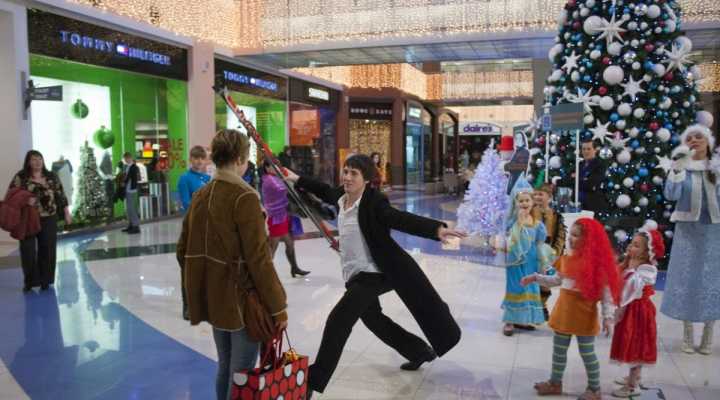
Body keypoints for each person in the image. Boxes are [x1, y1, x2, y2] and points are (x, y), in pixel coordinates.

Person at [284, 154, 465, 398]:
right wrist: (295, 178)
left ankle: (312, 382)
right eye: (346, 171)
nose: (347, 177)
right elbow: (324, 190)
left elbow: (400, 219)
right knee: (373, 319)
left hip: (375, 272)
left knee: (338, 321)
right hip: (355, 272)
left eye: (354, 173)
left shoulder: (374, 203)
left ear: (367, 179)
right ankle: (419, 351)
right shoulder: (342, 197)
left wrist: (435, 229)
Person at [176, 129, 288, 400]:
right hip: (242, 302)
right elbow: (259, 260)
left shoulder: (201, 195)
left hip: (214, 298)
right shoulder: (244, 196)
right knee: (241, 373)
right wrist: (278, 306)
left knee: (226, 367)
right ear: (240, 159)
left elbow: (182, 251)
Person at [521, 218, 621, 400]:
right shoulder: (566, 259)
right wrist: (536, 278)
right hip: (564, 313)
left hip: (585, 315)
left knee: (587, 353)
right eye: (570, 235)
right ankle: (555, 383)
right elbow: (556, 280)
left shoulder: (597, 265)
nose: (570, 239)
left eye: (575, 235)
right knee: (558, 351)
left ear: (589, 240)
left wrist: (608, 317)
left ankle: (595, 389)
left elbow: (607, 295)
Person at [660, 124, 720, 356]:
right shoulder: (682, 167)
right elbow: (670, 195)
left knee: (711, 281)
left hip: (714, 232)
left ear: (708, 142)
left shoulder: (716, 167)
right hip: (687, 231)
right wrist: (676, 170)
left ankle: (708, 333)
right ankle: (687, 334)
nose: (694, 140)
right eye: (690, 137)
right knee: (686, 279)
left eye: (699, 137)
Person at [610, 229, 664, 398]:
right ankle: (635, 376)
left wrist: (627, 270)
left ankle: (632, 386)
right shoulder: (630, 262)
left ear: (647, 251)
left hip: (639, 312)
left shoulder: (647, 269)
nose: (630, 247)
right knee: (629, 342)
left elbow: (633, 287)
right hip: (630, 310)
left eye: (636, 245)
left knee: (636, 345)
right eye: (631, 243)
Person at [9, 150, 72, 292]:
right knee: (28, 251)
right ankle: (30, 281)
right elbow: (11, 195)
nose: (37, 162)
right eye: (34, 159)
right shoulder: (21, 177)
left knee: (48, 249)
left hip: (49, 217)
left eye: (40, 159)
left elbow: (60, 194)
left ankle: (45, 280)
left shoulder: (51, 176)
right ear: (28, 162)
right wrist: (25, 200)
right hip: (27, 219)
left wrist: (67, 213)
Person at [499, 178, 555, 336]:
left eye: (527, 200)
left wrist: (543, 260)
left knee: (529, 287)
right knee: (515, 287)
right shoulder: (512, 221)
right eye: (521, 201)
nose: (524, 203)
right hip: (515, 261)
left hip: (530, 261)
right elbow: (510, 236)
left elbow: (540, 242)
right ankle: (509, 320)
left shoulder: (537, 223)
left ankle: (522, 319)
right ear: (515, 203)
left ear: (532, 202)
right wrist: (519, 220)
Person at [261, 160, 310, 278]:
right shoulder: (269, 180)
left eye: (277, 166)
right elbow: (284, 189)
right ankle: (264, 274)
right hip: (276, 218)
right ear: (267, 168)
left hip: (283, 216)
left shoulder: (275, 177)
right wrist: (292, 181)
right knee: (272, 247)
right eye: (274, 166)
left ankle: (294, 268)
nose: (277, 168)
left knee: (290, 243)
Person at [532, 183, 566, 320]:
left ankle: (542, 305)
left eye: (541, 194)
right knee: (532, 279)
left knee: (545, 282)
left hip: (548, 252)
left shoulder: (556, 216)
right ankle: (530, 305)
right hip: (532, 250)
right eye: (535, 194)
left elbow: (560, 235)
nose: (537, 197)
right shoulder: (530, 212)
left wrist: (556, 252)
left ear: (549, 197)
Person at [577, 140, 608, 213]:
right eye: (584, 149)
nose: (586, 151)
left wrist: (576, 180)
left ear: (595, 150)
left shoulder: (600, 165)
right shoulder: (579, 164)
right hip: (577, 204)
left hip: (592, 205)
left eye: (589, 149)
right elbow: (569, 179)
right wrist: (581, 180)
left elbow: (591, 184)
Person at [177, 145, 211, 212]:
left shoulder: (208, 178)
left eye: (202, 158)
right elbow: (186, 204)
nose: (200, 161)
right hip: (194, 216)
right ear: (190, 159)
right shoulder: (184, 178)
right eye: (196, 158)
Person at [121, 152, 141, 234]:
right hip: (128, 189)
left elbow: (130, 177)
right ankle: (131, 225)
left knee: (131, 209)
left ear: (129, 158)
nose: (125, 160)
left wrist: (124, 182)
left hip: (131, 190)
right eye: (125, 159)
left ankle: (136, 226)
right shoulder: (128, 166)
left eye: (126, 158)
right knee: (128, 209)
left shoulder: (134, 167)